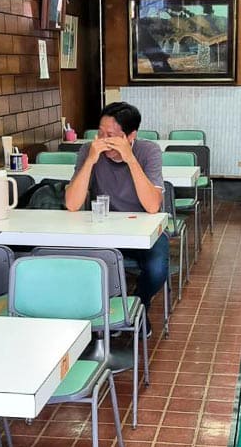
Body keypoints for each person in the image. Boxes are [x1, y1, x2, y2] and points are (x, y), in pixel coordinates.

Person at [64, 102, 169, 323]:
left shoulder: (148, 151)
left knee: (157, 269)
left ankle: (138, 308)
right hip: (103, 231)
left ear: (131, 136)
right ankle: (103, 316)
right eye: (100, 133)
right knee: (84, 266)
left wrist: (130, 159)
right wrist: (91, 160)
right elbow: (72, 204)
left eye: (110, 135)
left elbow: (152, 206)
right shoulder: (88, 151)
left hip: (144, 232)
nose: (103, 140)